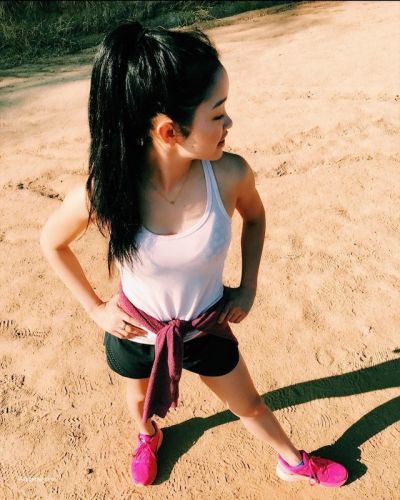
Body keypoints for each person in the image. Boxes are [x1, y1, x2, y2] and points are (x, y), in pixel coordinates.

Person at [40, 21, 348, 488]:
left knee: (251, 405)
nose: (229, 124)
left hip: (206, 327)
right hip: (135, 331)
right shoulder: (107, 191)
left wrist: (248, 286)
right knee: (138, 402)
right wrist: (96, 309)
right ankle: (147, 436)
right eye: (218, 113)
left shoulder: (229, 175)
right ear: (169, 131)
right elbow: (52, 243)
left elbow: (256, 218)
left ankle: (291, 461)